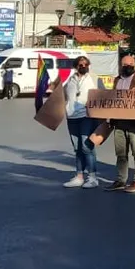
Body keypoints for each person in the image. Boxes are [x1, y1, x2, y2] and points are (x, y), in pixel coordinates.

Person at [106, 54, 135, 194]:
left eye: (129, 65)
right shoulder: (117, 80)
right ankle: (121, 179)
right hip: (119, 121)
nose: (126, 67)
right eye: (124, 65)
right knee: (121, 152)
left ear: (133, 65)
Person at [59, 56, 99, 189]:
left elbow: (103, 96)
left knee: (86, 146)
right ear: (76, 66)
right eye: (80, 64)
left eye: (86, 64)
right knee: (77, 148)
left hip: (87, 116)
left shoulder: (94, 78)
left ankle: (92, 177)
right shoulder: (70, 80)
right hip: (72, 117)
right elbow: (63, 95)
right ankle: (79, 176)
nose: (83, 66)